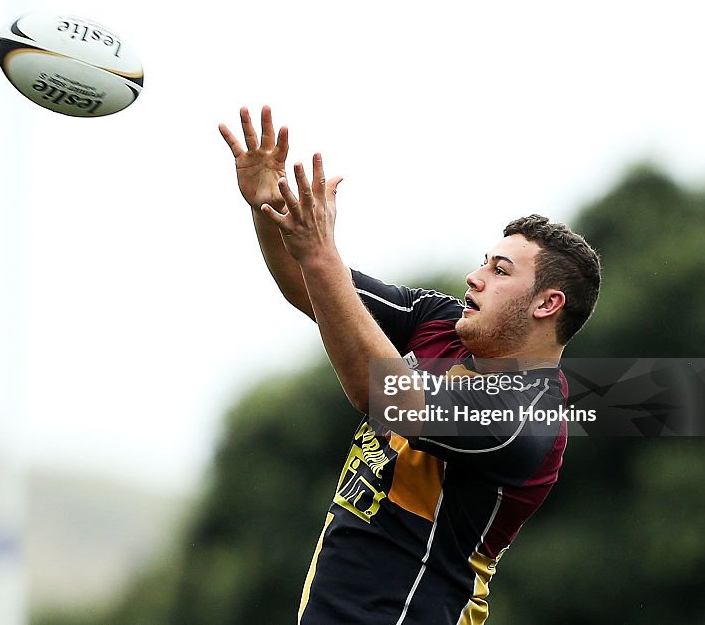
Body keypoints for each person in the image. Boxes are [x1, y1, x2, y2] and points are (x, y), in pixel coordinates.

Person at [219, 106, 601, 624]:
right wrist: (269, 211)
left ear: (546, 304)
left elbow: (383, 396)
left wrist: (320, 254)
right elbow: (311, 286)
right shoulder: (440, 320)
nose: (474, 276)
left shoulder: (527, 418)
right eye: (483, 261)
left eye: (500, 270)